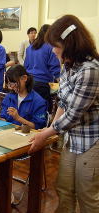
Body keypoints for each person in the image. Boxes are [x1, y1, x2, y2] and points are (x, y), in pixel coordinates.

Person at [29, 15, 99, 213]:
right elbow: (62, 103)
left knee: (87, 196)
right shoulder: (68, 66)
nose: (53, 50)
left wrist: (45, 134)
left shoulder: (90, 70)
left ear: (69, 44)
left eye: (56, 45)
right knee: (64, 189)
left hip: (92, 141)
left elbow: (73, 115)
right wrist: (48, 128)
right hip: (72, 139)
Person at [0, 65, 47, 130]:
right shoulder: (9, 98)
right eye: (9, 84)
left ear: (24, 78)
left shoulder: (38, 101)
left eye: (14, 83)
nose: (12, 87)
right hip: (9, 133)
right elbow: (5, 120)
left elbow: (37, 127)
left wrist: (18, 118)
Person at [24, 25, 61, 107]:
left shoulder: (30, 48)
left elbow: (25, 66)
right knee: (42, 111)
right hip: (42, 84)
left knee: (30, 109)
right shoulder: (50, 48)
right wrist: (61, 82)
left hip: (29, 82)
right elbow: (54, 68)